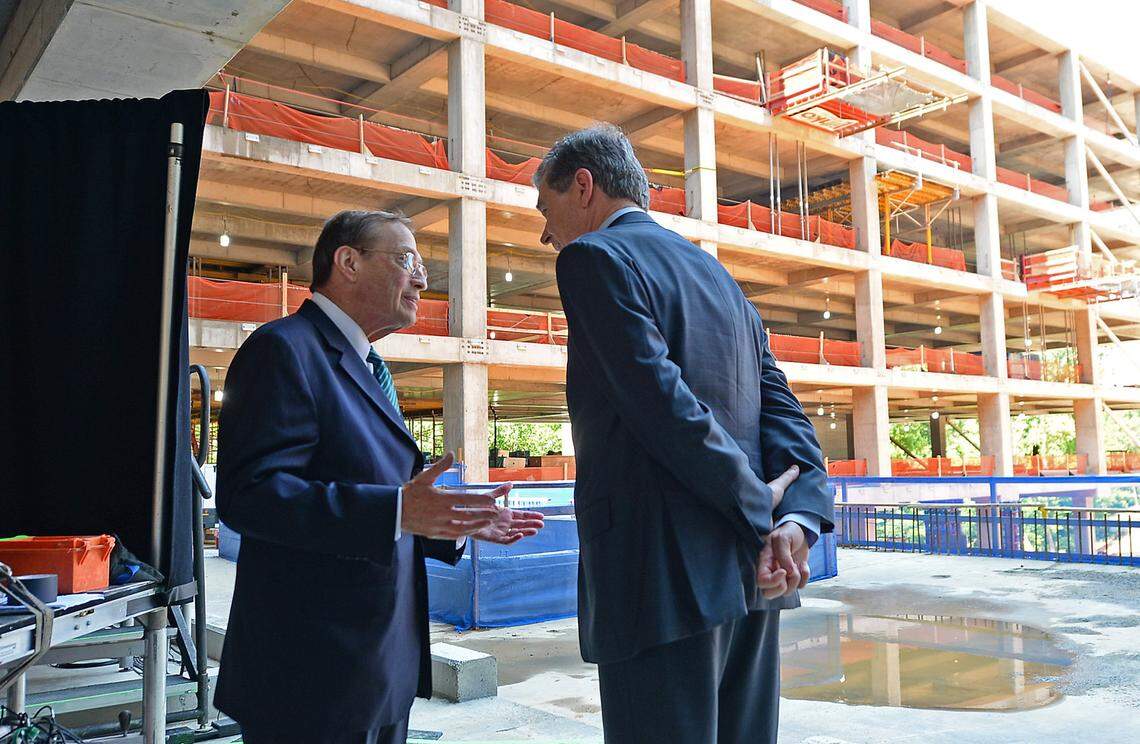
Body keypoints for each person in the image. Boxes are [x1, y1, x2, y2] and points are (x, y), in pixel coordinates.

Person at [536, 125, 833, 743]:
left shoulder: (593, 259)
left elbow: (661, 406)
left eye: (547, 209)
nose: (546, 233)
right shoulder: (720, 279)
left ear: (584, 186)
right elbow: (782, 410)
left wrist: (761, 504)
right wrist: (793, 523)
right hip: (753, 575)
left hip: (658, 579)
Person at [213, 210, 544, 743]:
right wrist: (397, 510)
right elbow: (250, 496)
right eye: (406, 259)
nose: (421, 278)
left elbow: (388, 496)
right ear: (348, 261)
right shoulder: (284, 350)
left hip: (377, 666)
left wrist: (451, 520)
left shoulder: (368, 365)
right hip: (310, 673)